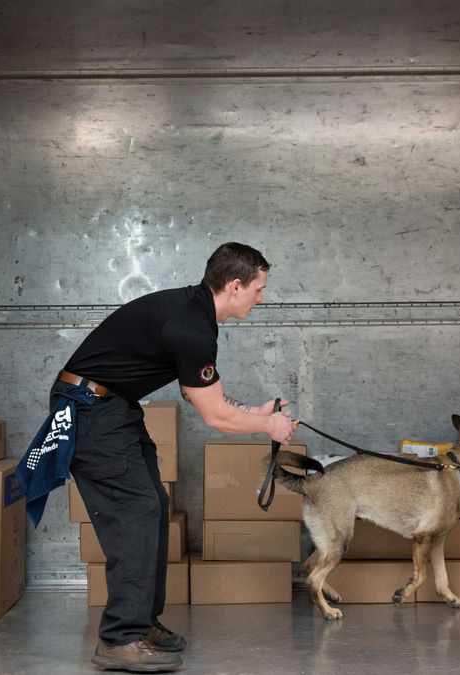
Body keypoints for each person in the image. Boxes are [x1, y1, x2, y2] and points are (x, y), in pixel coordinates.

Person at [55, 242, 296, 673]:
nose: (262, 298)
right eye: (259, 289)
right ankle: (120, 638)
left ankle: (141, 623)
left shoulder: (195, 314)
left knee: (152, 506)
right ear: (236, 285)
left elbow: (199, 391)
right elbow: (214, 415)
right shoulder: (192, 326)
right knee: (137, 511)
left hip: (113, 407)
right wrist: (269, 427)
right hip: (90, 409)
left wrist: (255, 413)